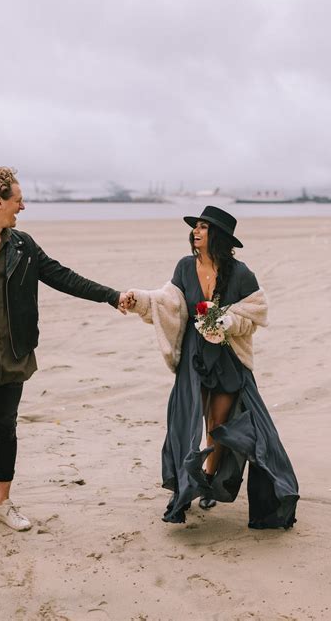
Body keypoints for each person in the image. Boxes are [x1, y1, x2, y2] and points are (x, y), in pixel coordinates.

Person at [0, 167, 130, 542]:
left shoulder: (23, 246)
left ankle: (1, 504)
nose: (23, 206)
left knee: (7, 429)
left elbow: (63, 277)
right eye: (18, 200)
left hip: (12, 354)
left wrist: (111, 296)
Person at [125, 206, 299, 528]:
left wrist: (226, 320)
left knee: (217, 425)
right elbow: (169, 301)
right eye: (196, 227)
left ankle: (207, 478)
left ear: (216, 236)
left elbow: (256, 314)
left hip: (227, 358)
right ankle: (182, 485)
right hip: (195, 355)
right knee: (186, 418)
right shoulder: (184, 267)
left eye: (204, 227)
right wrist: (139, 300)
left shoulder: (241, 273)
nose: (197, 232)